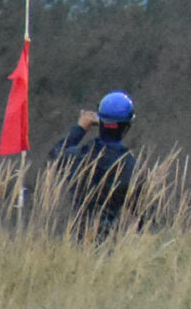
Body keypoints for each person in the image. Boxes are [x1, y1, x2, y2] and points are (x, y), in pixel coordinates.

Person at [48, 90, 139, 238]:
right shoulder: (131, 166)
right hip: (110, 246)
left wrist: (80, 128)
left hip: (74, 241)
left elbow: (55, 155)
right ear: (127, 126)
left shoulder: (78, 156)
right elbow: (147, 216)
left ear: (99, 122)